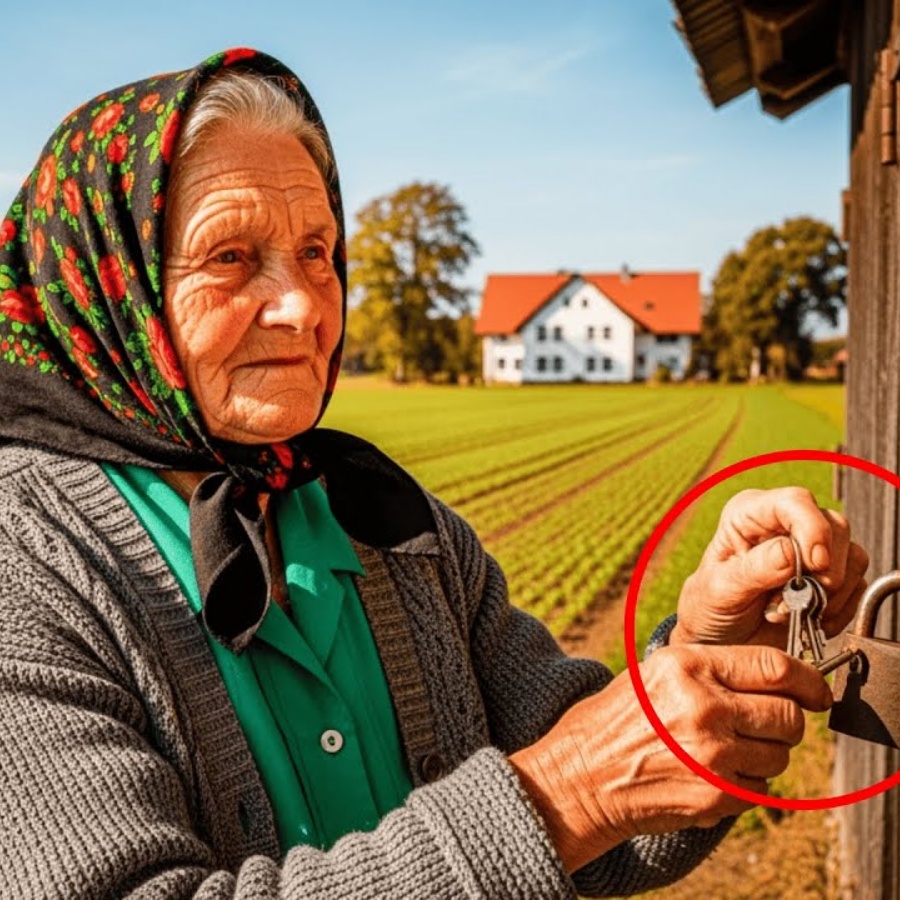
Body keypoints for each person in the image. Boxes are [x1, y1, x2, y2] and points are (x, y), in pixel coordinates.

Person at [0, 48, 868, 899]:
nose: (305, 305)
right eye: (230, 257)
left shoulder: (388, 523)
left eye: (316, 251)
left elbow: (612, 834)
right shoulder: (27, 566)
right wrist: (564, 795)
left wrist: (709, 659)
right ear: (104, 285)